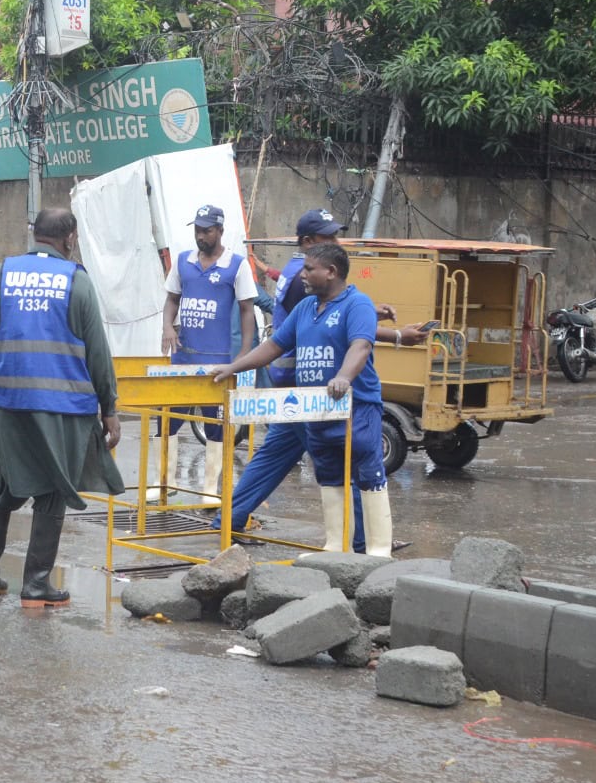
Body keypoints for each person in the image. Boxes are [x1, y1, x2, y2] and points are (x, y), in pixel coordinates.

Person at [216, 209, 427, 549]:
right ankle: (354, 541)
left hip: (327, 393)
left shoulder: (329, 291)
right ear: (310, 244)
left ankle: (368, 544)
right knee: (336, 466)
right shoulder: (306, 285)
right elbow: (286, 338)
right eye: (328, 238)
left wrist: (376, 331)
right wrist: (234, 367)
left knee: (335, 462)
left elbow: (353, 329)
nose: (336, 242)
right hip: (307, 393)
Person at [0, 208, 123, 607]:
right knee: (53, 491)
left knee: (1, 488)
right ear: (69, 238)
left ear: (36, 235)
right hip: (63, 407)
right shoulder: (77, 283)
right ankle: (36, 586)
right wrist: (110, 408)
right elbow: (98, 354)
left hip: (10, 405)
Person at [157, 204, 257, 497]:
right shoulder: (183, 262)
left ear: (220, 231)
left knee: (215, 423)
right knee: (169, 417)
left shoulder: (236, 265)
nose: (201, 236)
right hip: (183, 356)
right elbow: (172, 299)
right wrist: (167, 325)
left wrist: (245, 354)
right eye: (198, 230)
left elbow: (247, 309)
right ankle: (164, 483)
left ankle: (210, 488)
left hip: (216, 360)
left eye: (207, 230)